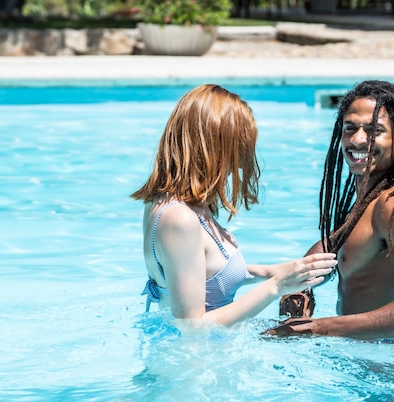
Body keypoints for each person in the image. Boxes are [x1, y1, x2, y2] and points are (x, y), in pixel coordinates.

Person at [267, 80, 394, 339]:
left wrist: (317, 329)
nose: (358, 139)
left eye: (374, 131)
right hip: (377, 357)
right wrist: (300, 289)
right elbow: (343, 244)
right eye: (350, 128)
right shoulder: (371, 197)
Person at [131, 84, 337, 326]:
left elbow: (203, 272)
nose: (242, 162)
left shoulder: (168, 202)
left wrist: (272, 271)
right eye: (240, 147)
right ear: (216, 147)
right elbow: (191, 327)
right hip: (198, 362)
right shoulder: (180, 219)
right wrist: (276, 287)